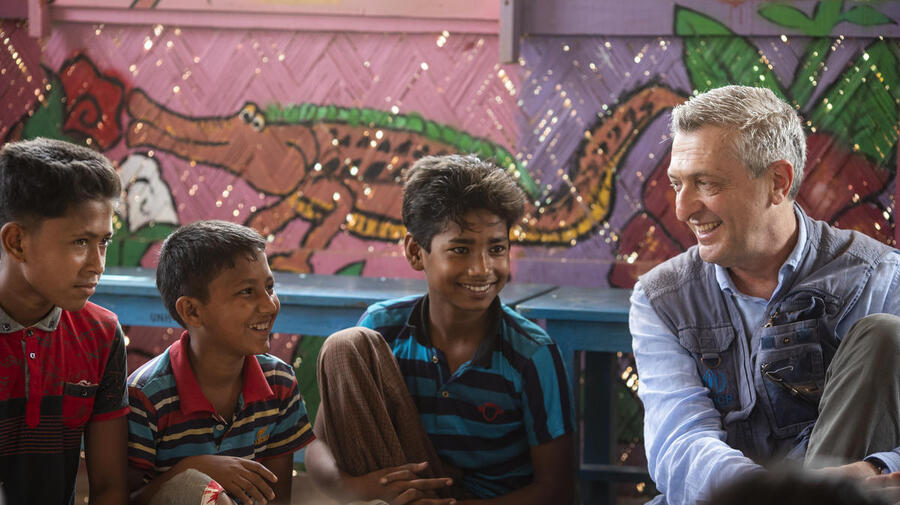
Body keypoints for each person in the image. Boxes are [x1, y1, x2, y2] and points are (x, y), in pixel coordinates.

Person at [629, 85, 900, 505]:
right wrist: (781, 495)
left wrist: (875, 468)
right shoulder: (660, 298)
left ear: (778, 181)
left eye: (705, 183)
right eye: (677, 183)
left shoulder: (882, 277)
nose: (682, 208)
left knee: (883, 335)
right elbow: (680, 445)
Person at [305, 154, 576, 505]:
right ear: (417, 252)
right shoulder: (383, 331)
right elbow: (320, 446)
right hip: (401, 497)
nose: (482, 269)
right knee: (347, 344)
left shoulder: (531, 353)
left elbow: (557, 489)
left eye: (496, 249)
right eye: (460, 250)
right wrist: (360, 490)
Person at [126, 220, 315, 505]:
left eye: (269, 287)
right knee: (194, 487)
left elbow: (276, 498)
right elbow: (128, 499)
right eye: (247, 292)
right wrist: (193, 470)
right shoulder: (146, 395)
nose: (269, 305)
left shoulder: (279, 382)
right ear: (191, 310)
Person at [0, 137, 129, 504]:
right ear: (17, 242)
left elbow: (109, 488)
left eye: (103, 242)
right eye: (79, 243)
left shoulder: (101, 335)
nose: (97, 265)